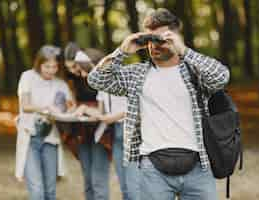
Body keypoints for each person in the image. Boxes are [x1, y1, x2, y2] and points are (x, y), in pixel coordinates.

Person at [87, 8, 230, 200]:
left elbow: (221, 76)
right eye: (149, 40)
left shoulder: (195, 72)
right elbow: (96, 80)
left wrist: (183, 50)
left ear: (175, 37)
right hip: (153, 169)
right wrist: (122, 51)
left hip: (198, 166)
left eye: (160, 39)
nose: (154, 45)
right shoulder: (136, 74)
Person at [15, 45, 74, 200]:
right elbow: (25, 106)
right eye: (47, 66)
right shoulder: (27, 77)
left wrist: (66, 110)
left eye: (54, 66)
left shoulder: (60, 84)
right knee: (37, 191)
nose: (51, 70)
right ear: (38, 63)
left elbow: (69, 108)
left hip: (51, 139)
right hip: (30, 137)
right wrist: (46, 108)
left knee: (50, 191)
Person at [63, 42, 110, 200]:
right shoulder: (74, 78)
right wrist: (73, 107)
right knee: (88, 179)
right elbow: (74, 101)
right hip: (82, 131)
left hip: (101, 132)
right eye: (70, 68)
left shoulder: (102, 78)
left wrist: (86, 109)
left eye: (76, 67)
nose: (75, 72)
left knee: (98, 180)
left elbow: (105, 108)